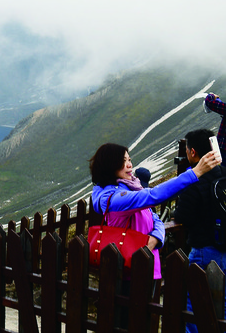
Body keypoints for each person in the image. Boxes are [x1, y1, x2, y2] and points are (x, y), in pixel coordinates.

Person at [90, 143, 221, 281]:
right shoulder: (117, 199)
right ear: (109, 165)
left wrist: (155, 238)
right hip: (129, 273)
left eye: (129, 159)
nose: (129, 165)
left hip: (147, 267)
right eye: (122, 161)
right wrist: (196, 172)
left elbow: (155, 219)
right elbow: (154, 195)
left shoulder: (132, 189)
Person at [174, 129, 226, 333]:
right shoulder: (224, 172)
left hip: (204, 249)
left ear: (193, 152)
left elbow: (183, 216)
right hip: (224, 247)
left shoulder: (193, 179)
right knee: (223, 307)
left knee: (195, 305)